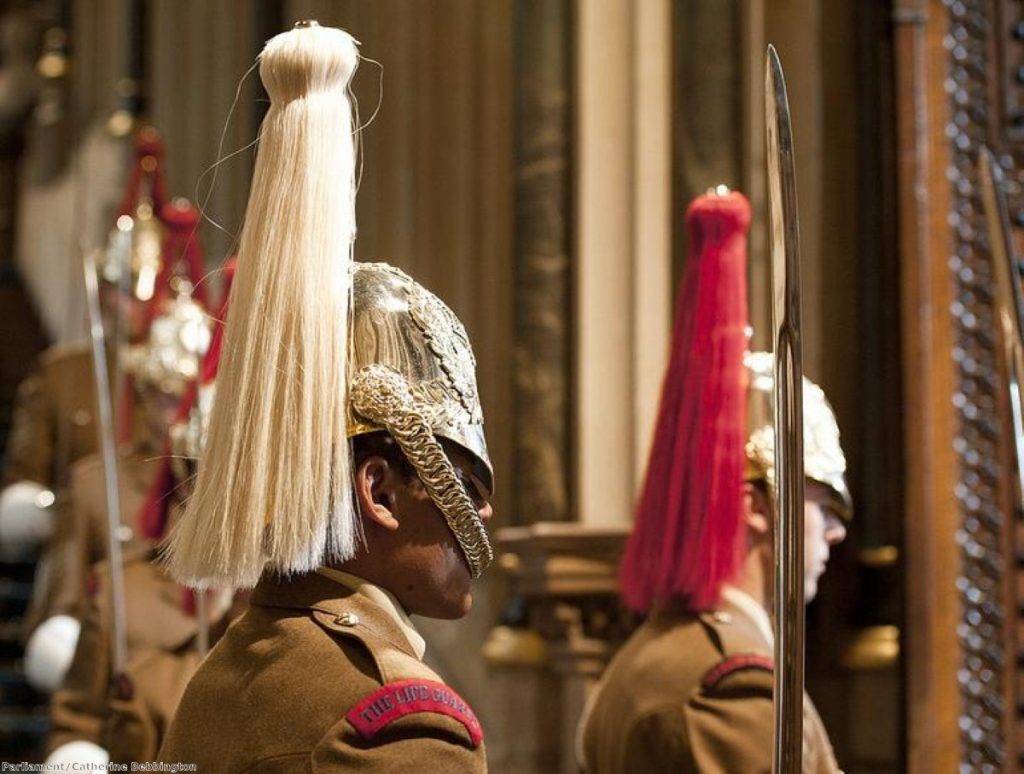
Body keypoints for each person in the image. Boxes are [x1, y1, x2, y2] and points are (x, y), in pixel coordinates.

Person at [159, 23, 491, 772]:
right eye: (463, 483)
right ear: (378, 489)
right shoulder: (403, 726)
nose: (486, 514)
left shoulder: (231, 663)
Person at [577, 189, 849, 774]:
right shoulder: (732, 683)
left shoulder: (649, 652)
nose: (833, 534)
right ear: (756, 505)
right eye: (821, 506)